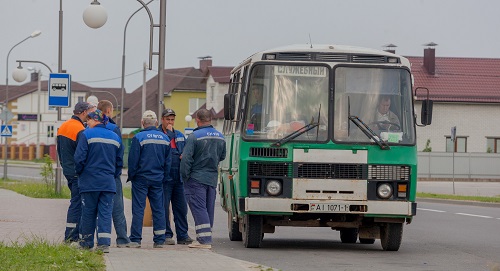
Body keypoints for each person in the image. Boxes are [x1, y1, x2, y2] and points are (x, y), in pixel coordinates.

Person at [74, 109, 123, 253]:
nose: (87, 123)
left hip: (89, 182)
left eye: (88, 120)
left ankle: (86, 243)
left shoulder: (86, 134)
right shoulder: (115, 137)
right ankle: (104, 244)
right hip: (108, 183)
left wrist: (81, 173)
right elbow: (119, 162)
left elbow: (79, 158)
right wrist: (112, 175)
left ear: (96, 120)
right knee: (105, 212)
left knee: (88, 212)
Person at [180, 109, 226, 249]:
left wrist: (185, 176)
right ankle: (205, 236)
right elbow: (222, 156)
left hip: (196, 177)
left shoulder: (194, 136)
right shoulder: (220, 136)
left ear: (197, 120)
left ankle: (204, 240)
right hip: (211, 178)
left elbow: (186, 159)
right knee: (207, 208)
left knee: (199, 208)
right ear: (210, 119)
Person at [127, 110, 170, 248]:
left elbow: (133, 160)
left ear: (142, 123)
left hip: (141, 178)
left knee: (139, 208)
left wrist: (131, 176)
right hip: (158, 179)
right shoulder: (165, 138)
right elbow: (168, 162)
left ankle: (135, 239)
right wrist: (164, 177)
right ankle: (159, 239)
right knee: (158, 209)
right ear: (156, 122)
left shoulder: (138, 137)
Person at [57, 101, 95, 243]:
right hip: (77, 172)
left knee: (75, 201)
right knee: (77, 204)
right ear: (84, 112)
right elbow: (82, 154)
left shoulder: (63, 126)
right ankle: (71, 236)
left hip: (67, 169)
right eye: (89, 113)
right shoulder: (80, 129)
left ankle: (72, 234)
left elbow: (60, 151)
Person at [97, 100, 131, 247]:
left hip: (94, 175)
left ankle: (96, 239)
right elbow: (119, 154)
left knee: (95, 208)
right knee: (117, 207)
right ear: (109, 111)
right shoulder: (114, 128)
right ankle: (122, 239)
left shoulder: (89, 128)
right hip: (111, 175)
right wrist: (116, 172)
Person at [158, 108, 193, 245]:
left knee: (181, 208)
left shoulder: (179, 135)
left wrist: (183, 155)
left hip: (178, 177)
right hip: (165, 178)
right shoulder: (159, 134)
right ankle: (167, 235)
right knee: (164, 207)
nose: (170, 122)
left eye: (172, 119)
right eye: (168, 119)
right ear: (162, 120)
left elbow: (183, 151)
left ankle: (182, 235)